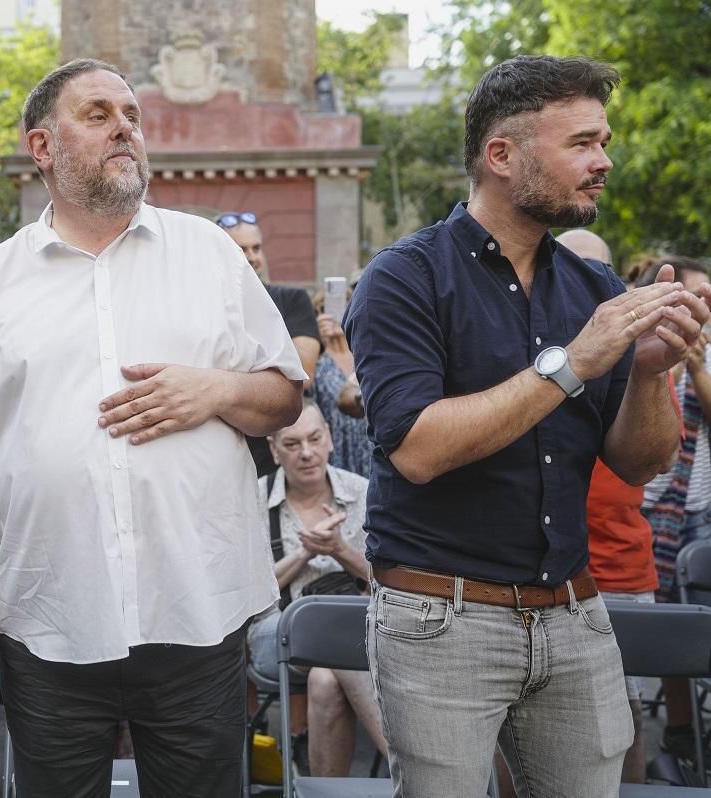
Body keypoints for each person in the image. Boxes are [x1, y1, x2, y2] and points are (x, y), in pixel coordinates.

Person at [0, 59, 304, 797]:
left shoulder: (210, 254)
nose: (124, 128)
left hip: (197, 609)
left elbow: (283, 397)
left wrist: (217, 389)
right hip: (49, 618)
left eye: (131, 116)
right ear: (42, 147)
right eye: (97, 115)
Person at [344, 55, 709, 797]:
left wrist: (649, 372)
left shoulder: (594, 287)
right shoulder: (405, 277)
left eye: (603, 141)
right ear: (501, 155)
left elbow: (642, 465)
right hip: (440, 617)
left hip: (575, 611)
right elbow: (417, 450)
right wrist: (573, 363)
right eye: (581, 143)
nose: (603, 161)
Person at [554, 228, 663, 785]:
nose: (584, 284)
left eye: (597, 272)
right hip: (538, 574)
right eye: (568, 268)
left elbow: (653, 460)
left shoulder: (635, 353)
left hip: (618, 570)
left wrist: (652, 369)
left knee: (624, 715)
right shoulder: (528, 348)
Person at [246, 403, 386, 776]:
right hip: (277, 632)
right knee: (331, 636)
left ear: (330, 439)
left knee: (326, 677)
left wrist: (339, 549)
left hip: (359, 628)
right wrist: (305, 552)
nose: (306, 453)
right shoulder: (252, 500)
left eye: (314, 439)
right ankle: (405, 762)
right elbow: (244, 590)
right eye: (292, 444)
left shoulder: (363, 492)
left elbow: (388, 582)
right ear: (274, 450)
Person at [635, 256, 711, 762]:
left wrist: (698, 364)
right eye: (698, 296)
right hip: (648, 508)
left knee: (691, 618)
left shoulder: (706, 351)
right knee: (666, 621)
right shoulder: (642, 348)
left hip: (697, 510)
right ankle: (682, 732)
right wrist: (671, 362)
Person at [218, 211, 322, 477]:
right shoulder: (206, 307)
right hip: (223, 450)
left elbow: (301, 374)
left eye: (256, 248)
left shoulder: (292, 299)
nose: (252, 257)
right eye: (241, 249)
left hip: (283, 456)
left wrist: (223, 377)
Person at [311, 285, 372, 477]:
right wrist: (316, 342)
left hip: (370, 448)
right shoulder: (316, 360)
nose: (334, 314)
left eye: (343, 305)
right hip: (336, 452)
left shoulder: (365, 352)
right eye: (324, 309)